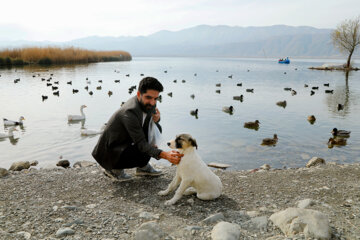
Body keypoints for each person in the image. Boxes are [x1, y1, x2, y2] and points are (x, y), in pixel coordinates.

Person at [92, 77, 183, 180]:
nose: (153, 103)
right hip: (111, 151)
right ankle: (113, 169)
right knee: (145, 146)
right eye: (148, 98)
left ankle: (142, 167)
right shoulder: (129, 112)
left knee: (156, 129)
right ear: (139, 94)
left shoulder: (148, 103)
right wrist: (166, 155)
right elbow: (141, 143)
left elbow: (149, 127)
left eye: (155, 98)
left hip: (129, 141)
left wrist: (157, 119)